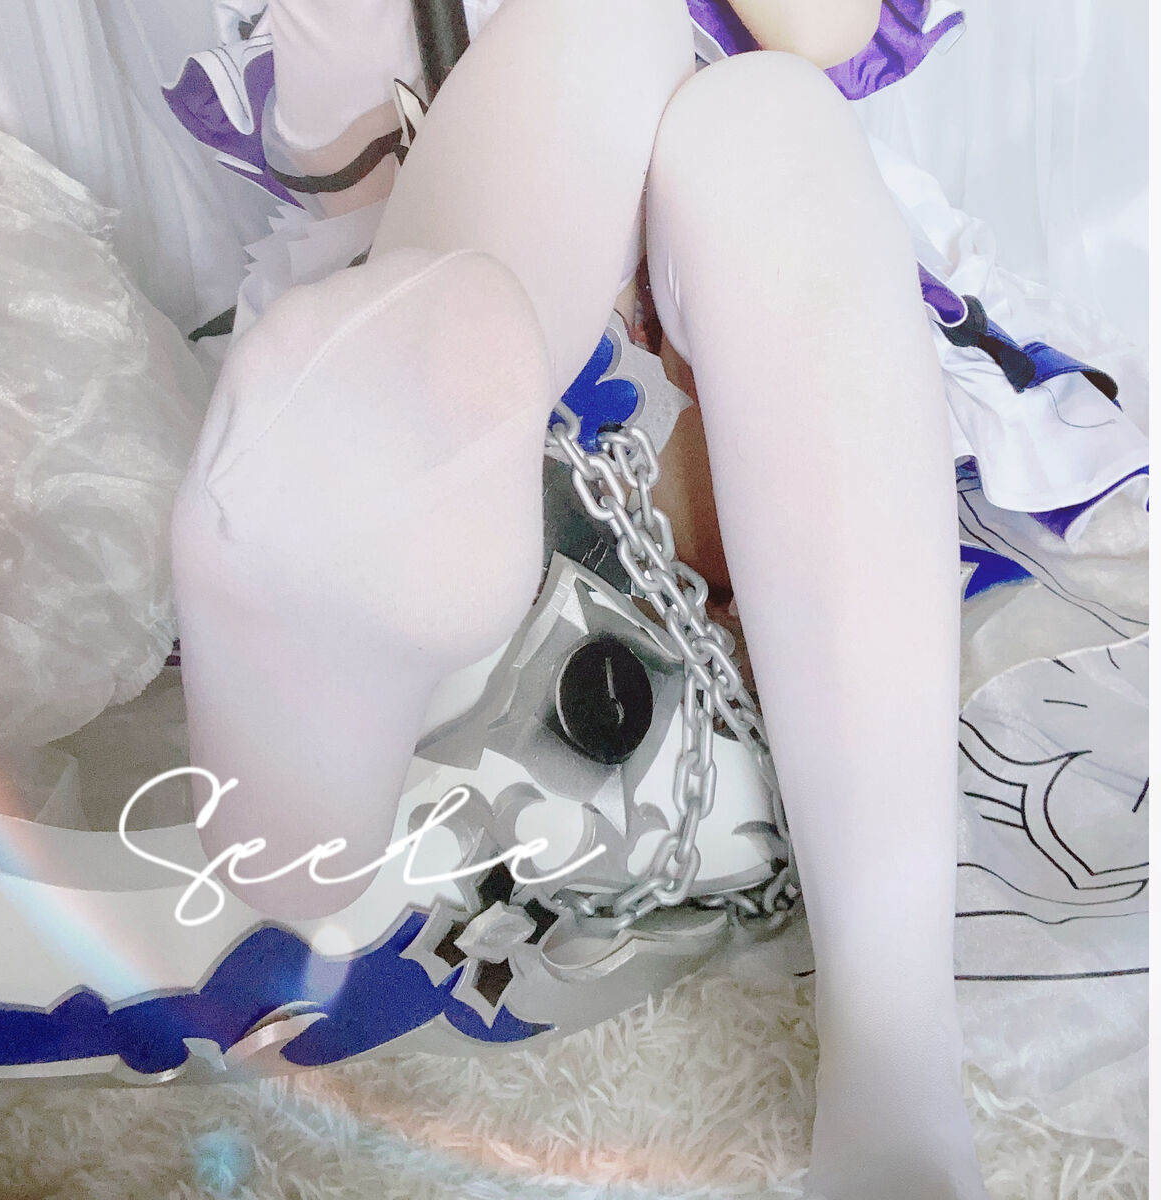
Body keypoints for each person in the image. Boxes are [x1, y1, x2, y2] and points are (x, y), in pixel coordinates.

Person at [169, 2, 1015, 1195]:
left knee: (767, 112)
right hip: (480, 357)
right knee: (597, 31)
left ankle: (896, 1067)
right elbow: (330, 149)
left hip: (762, 380)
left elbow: (820, 29)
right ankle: (345, 616)